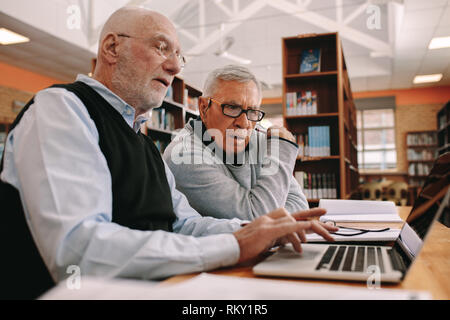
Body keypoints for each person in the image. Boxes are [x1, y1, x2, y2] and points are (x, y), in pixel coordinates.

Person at [0, 6, 336, 299]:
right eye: (162, 48)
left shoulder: (144, 142)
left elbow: (183, 224)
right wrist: (236, 244)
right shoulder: (61, 109)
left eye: (180, 56)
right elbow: (78, 251)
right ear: (112, 47)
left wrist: (260, 229)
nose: (175, 67)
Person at [164, 65, 308, 220]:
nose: (244, 123)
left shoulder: (259, 140)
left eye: (252, 111)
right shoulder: (184, 155)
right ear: (204, 107)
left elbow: (300, 207)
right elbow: (259, 220)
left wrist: (264, 208)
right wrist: (281, 149)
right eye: (232, 108)